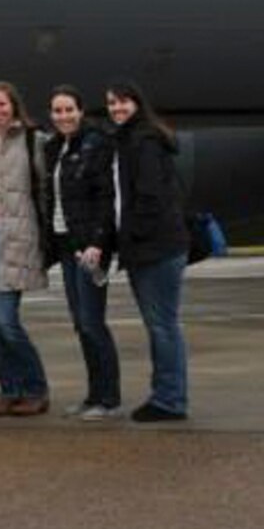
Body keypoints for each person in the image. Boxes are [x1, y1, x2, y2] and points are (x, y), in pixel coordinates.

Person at [101, 78, 190, 422]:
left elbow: (150, 197)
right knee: (160, 325)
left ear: (138, 104)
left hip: (157, 248)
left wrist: (131, 236)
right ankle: (166, 394)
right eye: (111, 103)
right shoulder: (128, 140)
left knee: (162, 325)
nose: (117, 108)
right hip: (148, 248)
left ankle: (170, 400)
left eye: (123, 102)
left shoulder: (145, 141)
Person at [0, 80, 52, 417]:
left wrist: (42, 239)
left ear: (14, 106)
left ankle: (36, 388)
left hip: (16, 237)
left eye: (2, 104)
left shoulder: (32, 139)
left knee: (6, 322)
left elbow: (42, 189)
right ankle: (9, 390)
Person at [42, 85, 121, 420]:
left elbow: (104, 196)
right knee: (81, 323)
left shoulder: (97, 143)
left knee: (93, 322)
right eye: (57, 111)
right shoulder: (54, 147)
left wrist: (98, 242)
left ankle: (108, 398)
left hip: (90, 247)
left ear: (81, 110)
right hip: (67, 244)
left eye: (68, 110)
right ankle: (93, 395)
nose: (63, 116)